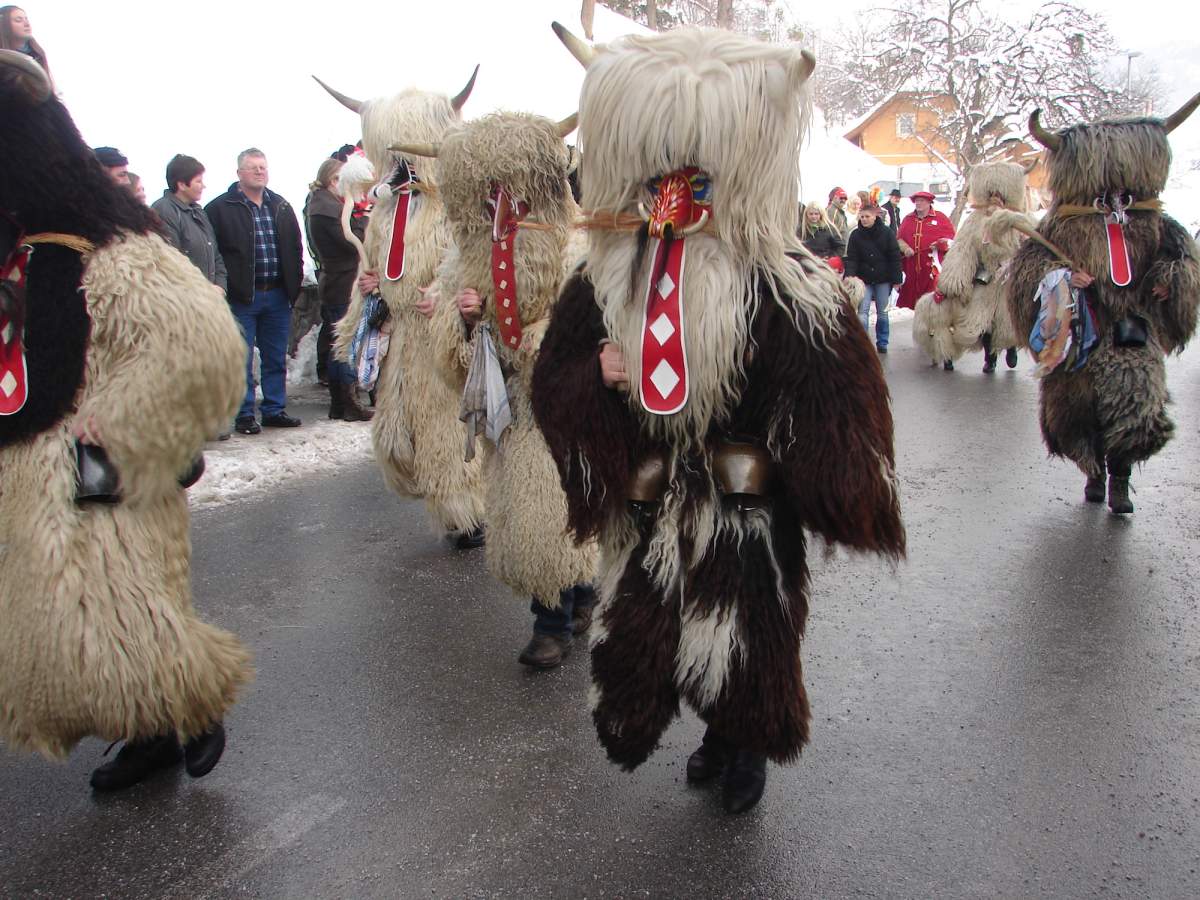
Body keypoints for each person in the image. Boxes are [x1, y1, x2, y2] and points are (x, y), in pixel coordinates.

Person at [536, 24, 904, 815]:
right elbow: (553, 381)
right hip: (649, 489)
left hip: (745, 495)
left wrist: (840, 481)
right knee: (645, 635)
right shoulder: (605, 272)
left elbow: (835, 386)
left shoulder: (786, 277)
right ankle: (697, 727)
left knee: (742, 638)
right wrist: (597, 379)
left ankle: (740, 744)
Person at [0, 50, 251, 792]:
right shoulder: (18, 250)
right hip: (29, 467)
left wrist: (117, 424)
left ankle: (186, 706)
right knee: (57, 620)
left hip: (98, 468)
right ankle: (147, 733)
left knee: (118, 605)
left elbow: (198, 340)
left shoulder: (112, 248)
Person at [1006, 104, 1200, 515]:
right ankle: (1092, 473)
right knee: (1078, 409)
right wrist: (1061, 279)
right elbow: (1029, 266)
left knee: (1135, 404)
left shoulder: (1155, 222)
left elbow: (1182, 259)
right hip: (1080, 329)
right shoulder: (1061, 223)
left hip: (1132, 330)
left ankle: (1120, 482)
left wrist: (1170, 281)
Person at [206, 148, 304, 434]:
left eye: (263, 167)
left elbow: (296, 248)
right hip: (242, 297)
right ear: (239, 174)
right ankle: (244, 414)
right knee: (242, 359)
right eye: (253, 168)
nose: (260, 172)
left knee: (275, 357)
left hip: (276, 294)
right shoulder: (220, 208)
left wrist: (293, 285)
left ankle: (274, 408)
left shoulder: (281, 206)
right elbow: (216, 254)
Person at [304, 157, 373, 421]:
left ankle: (340, 402)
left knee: (339, 344)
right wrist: (364, 220)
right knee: (345, 343)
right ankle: (348, 400)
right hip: (342, 282)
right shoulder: (326, 209)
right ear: (336, 181)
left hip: (337, 281)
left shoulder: (325, 205)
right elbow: (350, 242)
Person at [151, 153, 227, 291]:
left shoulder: (199, 212)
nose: (203, 186)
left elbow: (215, 254)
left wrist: (221, 287)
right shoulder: (164, 210)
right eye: (198, 181)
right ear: (181, 184)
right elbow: (171, 261)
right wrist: (201, 291)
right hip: (183, 300)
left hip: (209, 298)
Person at [844, 202, 902, 353]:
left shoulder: (887, 233)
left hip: (883, 278)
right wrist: (849, 276)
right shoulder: (855, 235)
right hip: (864, 279)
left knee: (882, 312)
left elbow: (894, 256)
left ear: (875, 216)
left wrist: (896, 280)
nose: (864, 219)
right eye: (861, 216)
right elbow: (851, 258)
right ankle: (864, 343)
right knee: (862, 312)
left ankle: (882, 342)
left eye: (867, 216)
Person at [896, 190, 955, 310]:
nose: (918, 203)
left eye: (921, 201)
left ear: (929, 202)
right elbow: (899, 239)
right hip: (912, 268)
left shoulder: (940, 218)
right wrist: (906, 248)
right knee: (914, 302)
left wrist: (940, 244)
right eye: (916, 201)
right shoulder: (908, 219)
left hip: (932, 269)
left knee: (934, 300)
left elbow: (952, 240)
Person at [0, 6, 50, 84]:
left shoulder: (38, 54)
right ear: (4, 26)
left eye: (26, 19)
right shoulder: (3, 62)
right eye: (18, 20)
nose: (27, 24)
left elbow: (47, 89)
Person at [798, 200, 844, 267]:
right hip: (807, 264)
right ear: (806, 214)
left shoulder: (830, 228)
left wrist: (831, 258)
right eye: (811, 214)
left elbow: (841, 246)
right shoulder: (801, 229)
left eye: (816, 214)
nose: (813, 216)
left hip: (825, 264)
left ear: (821, 214)